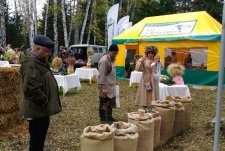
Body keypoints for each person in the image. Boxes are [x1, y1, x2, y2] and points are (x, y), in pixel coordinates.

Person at [19, 35, 62, 151]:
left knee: (39, 139)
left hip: (39, 110)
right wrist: (44, 101)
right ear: (37, 49)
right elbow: (31, 90)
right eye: (46, 51)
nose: (49, 54)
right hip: (37, 110)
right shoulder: (31, 64)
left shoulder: (39, 61)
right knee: (36, 141)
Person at [97, 44, 118, 124]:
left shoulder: (112, 59)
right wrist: (103, 88)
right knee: (104, 102)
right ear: (109, 51)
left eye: (116, 53)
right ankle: (103, 119)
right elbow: (102, 75)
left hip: (111, 84)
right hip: (105, 84)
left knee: (110, 101)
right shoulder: (104, 60)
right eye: (113, 53)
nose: (115, 55)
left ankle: (109, 117)